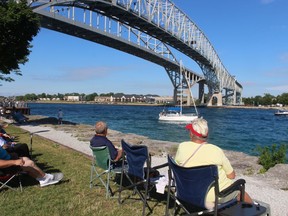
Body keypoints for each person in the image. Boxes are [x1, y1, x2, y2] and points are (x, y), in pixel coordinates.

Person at [174, 118, 253, 207]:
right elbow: (231, 175)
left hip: (187, 192)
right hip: (215, 197)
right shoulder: (216, 150)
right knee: (240, 191)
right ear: (206, 134)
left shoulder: (182, 147)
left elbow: (178, 165)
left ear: (192, 134)